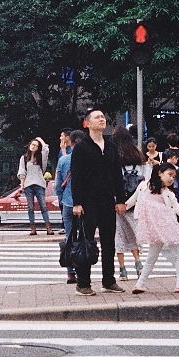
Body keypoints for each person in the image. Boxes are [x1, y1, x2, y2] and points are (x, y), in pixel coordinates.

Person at [70, 109, 127, 296]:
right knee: (86, 241)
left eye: (103, 116)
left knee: (109, 242)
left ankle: (108, 281)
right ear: (87, 123)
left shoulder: (110, 146)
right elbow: (76, 177)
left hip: (107, 201)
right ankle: (83, 284)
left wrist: (120, 200)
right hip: (87, 202)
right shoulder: (81, 147)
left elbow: (117, 175)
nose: (102, 119)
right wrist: (77, 203)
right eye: (97, 117)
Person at [126, 163, 179, 293]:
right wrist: (120, 207)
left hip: (168, 227)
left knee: (176, 254)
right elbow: (132, 200)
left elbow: (178, 210)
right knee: (151, 257)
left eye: (174, 177)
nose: (172, 179)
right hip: (154, 228)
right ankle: (140, 284)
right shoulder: (144, 186)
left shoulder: (168, 193)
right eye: (169, 175)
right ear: (160, 173)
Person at [111, 126, 146, 281]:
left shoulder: (114, 156)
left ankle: (122, 269)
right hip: (134, 201)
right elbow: (144, 179)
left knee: (118, 234)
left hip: (117, 201)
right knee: (133, 233)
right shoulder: (138, 156)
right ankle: (138, 264)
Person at [55, 129, 85, 284]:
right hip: (86, 205)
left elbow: (58, 185)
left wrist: (62, 198)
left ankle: (70, 272)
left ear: (70, 143)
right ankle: (83, 271)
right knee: (84, 237)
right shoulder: (90, 159)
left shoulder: (64, 160)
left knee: (69, 237)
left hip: (67, 202)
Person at [18, 137, 53, 236]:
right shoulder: (24, 158)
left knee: (43, 206)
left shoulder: (41, 157)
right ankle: (33, 228)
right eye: (33, 145)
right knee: (30, 207)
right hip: (28, 185)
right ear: (29, 145)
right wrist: (22, 185)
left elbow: (46, 149)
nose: (34, 147)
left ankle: (48, 228)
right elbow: (22, 172)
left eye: (36, 146)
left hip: (39, 184)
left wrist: (40, 140)